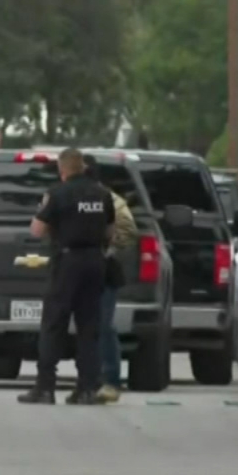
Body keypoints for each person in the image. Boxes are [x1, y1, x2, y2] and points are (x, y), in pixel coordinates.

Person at [18, 148, 115, 406]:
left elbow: (37, 230)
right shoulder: (103, 194)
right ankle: (87, 388)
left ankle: (45, 388)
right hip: (95, 262)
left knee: (53, 324)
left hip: (67, 262)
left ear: (62, 170)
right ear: (83, 167)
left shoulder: (58, 193)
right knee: (89, 327)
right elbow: (110, 231)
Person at [83, 156, 138, 403]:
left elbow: (127, 230)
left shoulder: (110, 200)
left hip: (102, 271)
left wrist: (106, 249)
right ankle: (87, 380)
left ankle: (110, 380)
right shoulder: (65, 196)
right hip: (72, 270)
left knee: (103, 325)